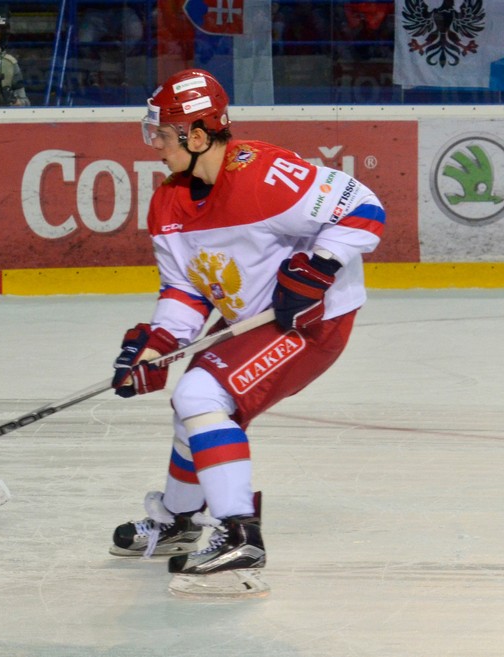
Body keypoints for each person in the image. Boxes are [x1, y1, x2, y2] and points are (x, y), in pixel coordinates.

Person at [108, 69, 385, 595]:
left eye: (164, 135)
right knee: (192, 409)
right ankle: (179, 521)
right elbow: (187, 292)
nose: (156, 147)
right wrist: (159, 346)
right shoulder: (168, 204)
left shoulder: (264, 173)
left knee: (201, 394)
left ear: (196, 134)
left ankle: (240, 534)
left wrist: (320, 268)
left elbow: (365, 207)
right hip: (252, 321)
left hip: (311, 321)